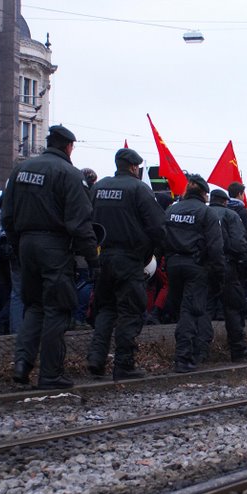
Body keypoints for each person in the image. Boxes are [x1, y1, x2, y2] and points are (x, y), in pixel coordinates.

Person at [1, 124, 99, 389]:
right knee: (58, 309)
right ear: (68, 147)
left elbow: (7, 215)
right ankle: (51, 373)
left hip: (26, 244)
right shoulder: (69, 174)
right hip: (54, 247)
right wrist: (93, 259)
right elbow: (80, 223)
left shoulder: (20, 170)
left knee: (34, 306)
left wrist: (17, 244)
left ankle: (22, 364)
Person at [86, 148, 166, 380]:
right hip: (129, 260)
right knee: (130, 311)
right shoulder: (139, 189)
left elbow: (87, 219)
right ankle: (124, 364)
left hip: (102, 258)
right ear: (133, 167)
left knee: (106, 309)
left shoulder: (98, 187)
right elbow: (157, 226)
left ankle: (96, 359)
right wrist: (158, 250)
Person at [163, 174, 224, 372]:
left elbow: (162, 237)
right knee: (190, 310)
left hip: (173, 265)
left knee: (182, 308)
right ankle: (183, 358)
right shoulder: (206, 213)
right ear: (204, 193)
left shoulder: (171, 210)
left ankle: (189, 353)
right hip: (195, 266)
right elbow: (215, 247)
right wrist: (217, 273)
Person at [208, 188, 247, 361]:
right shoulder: (230, 215)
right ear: (225, 201)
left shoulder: (202, 211)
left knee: (202, 309)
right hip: (227, 267)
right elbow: (239, 243)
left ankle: (199, 351)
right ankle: (237, 349)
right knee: (233, 308)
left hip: (202, 266)